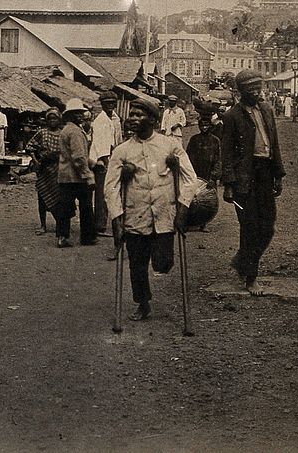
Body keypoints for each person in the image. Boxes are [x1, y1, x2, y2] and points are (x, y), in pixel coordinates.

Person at [106, 99, 200, 321]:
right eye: (133, 114)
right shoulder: (122, 151)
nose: (134, 119)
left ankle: (160, 266)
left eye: (140, 115)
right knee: (137, 265)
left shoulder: (170, 146)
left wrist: (183, 209)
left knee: (163, 263)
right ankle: (143, 303)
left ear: (153, 120)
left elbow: (190, 180)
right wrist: (117, 220)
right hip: (135, 215)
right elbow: (110, 188)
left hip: (163, 214)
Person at [220, 70, 285, 296]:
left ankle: (242, 260)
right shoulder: (231, 116)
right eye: (252, 89)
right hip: (244, 178)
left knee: (268, 227)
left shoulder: (266, 110)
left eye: (259, 87)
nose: (257, 92)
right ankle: (251, 277)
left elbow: (274, 144)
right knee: (250, 227)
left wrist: (278, 174)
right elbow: (226, 153)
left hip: (265, 173)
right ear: (241, 92)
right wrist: (228, 184)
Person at [56, 98, 95, 248]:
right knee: (85, 207)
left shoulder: (66, 130)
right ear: (70, 115)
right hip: (76, 176)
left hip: (65, 175)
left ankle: (62, 236)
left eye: (80, 112)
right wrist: (88, 175)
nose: (80, 115)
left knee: (64, 208)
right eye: (76, 113)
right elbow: (78, 157)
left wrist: (91, 162)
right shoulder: (76, 132)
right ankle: (87, 237)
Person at [90, 91, 123, 259]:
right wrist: (105, 160)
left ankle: (102, 222)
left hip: (112, 156)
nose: (110, 105)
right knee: (102, 193)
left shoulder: (114, 118)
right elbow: (101, 144)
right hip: (102, 159)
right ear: (102, 104)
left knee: (109, 191)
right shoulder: (100, 121)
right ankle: (100, 225)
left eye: (113, 102)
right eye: (107, 102)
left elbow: (117, 139)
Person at [26, 108, 64, 234]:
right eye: (50, 119)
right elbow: (30, 146)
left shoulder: (63, 134)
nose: (52, 121)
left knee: (58, 197)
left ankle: (60, 223)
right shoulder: (42, 133)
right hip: (44, 169)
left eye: (55, 119)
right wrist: (35, 161)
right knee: (42, 196)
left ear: (59, 120)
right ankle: (43, 225)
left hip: (59, 169)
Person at [186, 113, 221, 187]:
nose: (204, 128)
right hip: (196, 174)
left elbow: (218, 159)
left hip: (209, 174)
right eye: (202, 126)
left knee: (210, 196)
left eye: (206, 125)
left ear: (210, 126)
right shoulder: (194, 139)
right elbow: (188, 158)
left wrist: (214, 177)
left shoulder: (215, 140)